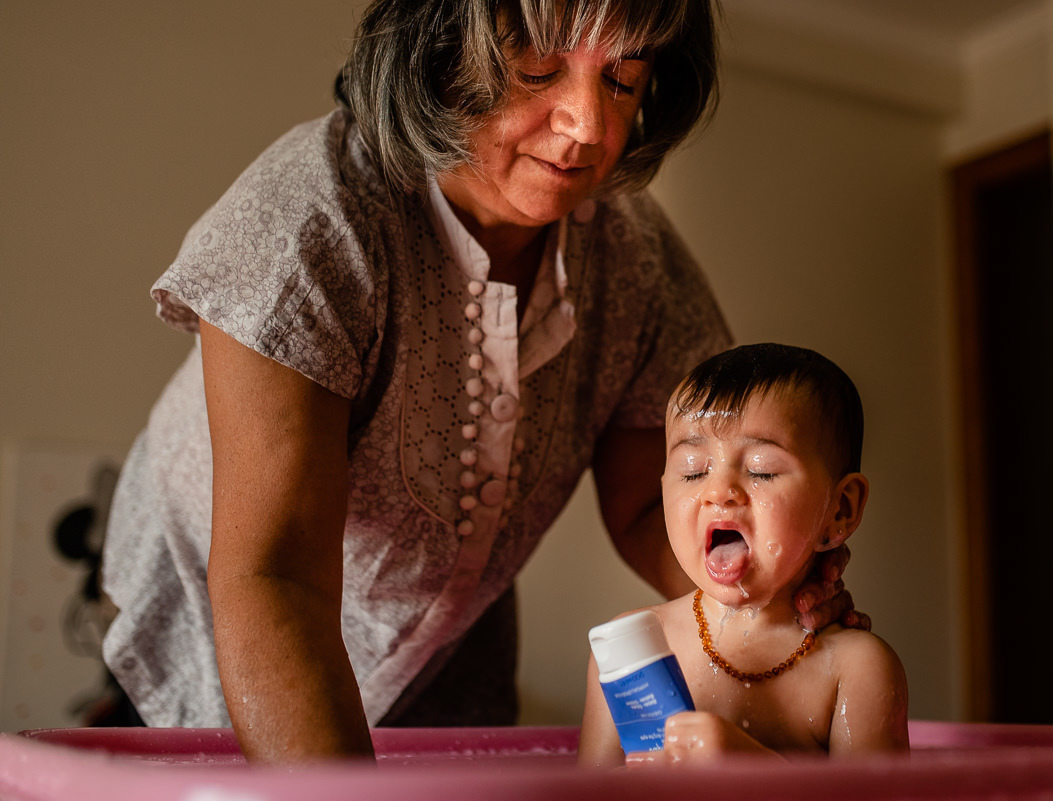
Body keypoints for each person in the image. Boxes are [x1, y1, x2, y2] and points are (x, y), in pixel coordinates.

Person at [100, 0, 863, 764]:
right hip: (224, 640)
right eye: (538, 70)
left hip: (454, 647)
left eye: (623, 81)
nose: (588, 126)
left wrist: (770, 591)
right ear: (437, 55)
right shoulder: (306, 222)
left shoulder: (635, 254)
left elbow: (647, 504)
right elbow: (277, 577)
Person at [578, 344, 909, 767]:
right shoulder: (632, 647)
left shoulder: (857, 670)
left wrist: (756, 774)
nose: (718, 492)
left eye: (761, 470)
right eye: (693, 470)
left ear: (839, 509)